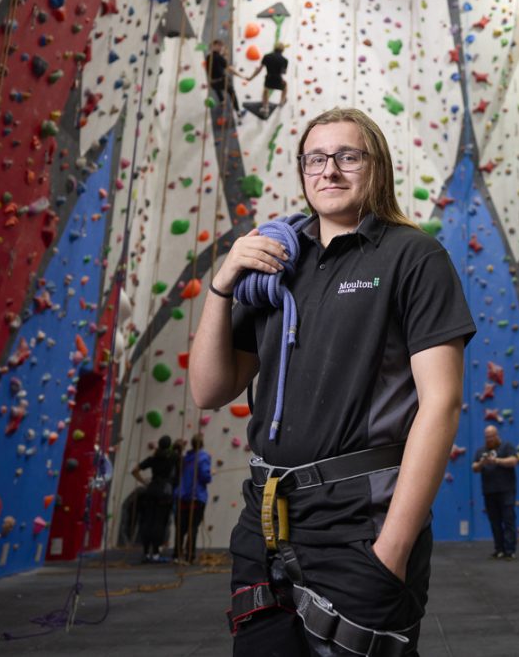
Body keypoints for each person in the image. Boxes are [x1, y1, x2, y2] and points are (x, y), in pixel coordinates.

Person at [189, 107, 476, 656]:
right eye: (315, 159)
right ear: (302, 170)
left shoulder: (414, 257)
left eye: (349, 157)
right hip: (265, 529)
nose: (330, 171)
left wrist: (392, 549)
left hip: (360, 529)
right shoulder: (274, 267)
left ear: (377, 168)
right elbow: (209, 390)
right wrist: (222, 284)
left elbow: (441, 406)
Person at [471, 425, 519, 559]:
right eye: (487, 436)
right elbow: (474, 467)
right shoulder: (482, 451)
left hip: (506, 490)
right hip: (489, 492)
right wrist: (482, 463)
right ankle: (499, 549)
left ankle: (510, 550)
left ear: (497, 435)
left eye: (492, 436)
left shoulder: (506, 446)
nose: (490, 439)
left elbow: (514, 461)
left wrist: (496, 460)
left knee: (508, 520)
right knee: (495, 522)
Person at [132, 434, 178, 564]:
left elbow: (134, 470)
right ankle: (156, 552)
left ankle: (146, 552)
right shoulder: (172, 458)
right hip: (164, 492)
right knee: (160, 523)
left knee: (148, 521)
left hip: (151, 490)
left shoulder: (153, 458)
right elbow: (178, 457)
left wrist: (144, 482)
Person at [175, 433, 213, 564]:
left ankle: (177, 554)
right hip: (196, 496)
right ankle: (189, 555)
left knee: (182, 526)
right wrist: (209, 475)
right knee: (193, 526)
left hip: (183, 495)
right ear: (202, 444)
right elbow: (205, 476)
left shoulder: (187, 458)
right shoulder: (203, 457)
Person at [244, 44, 288, 117]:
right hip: (278, 79)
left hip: (269, 78)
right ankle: (282, 102)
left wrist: (251, 77)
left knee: (266, 91)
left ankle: (265, 108)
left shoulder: (267, 56)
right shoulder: (285, 60)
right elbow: (284, 72)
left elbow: (259, 69)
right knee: (285, 88)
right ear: (282, 50)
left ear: (274, 48)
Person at [206, 38, 246, 110]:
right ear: (214, 46)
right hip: (221, 82)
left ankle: (222, 101)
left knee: (218, 89)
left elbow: (218, 63)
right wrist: (242, 76)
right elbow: (230, 69)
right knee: (232, 92)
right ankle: (238, 111)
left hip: (213, 83)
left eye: (221, 46)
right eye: (219, 46)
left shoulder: (208, 57)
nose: (221, 48)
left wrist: (224, 55)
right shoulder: (218, 57)